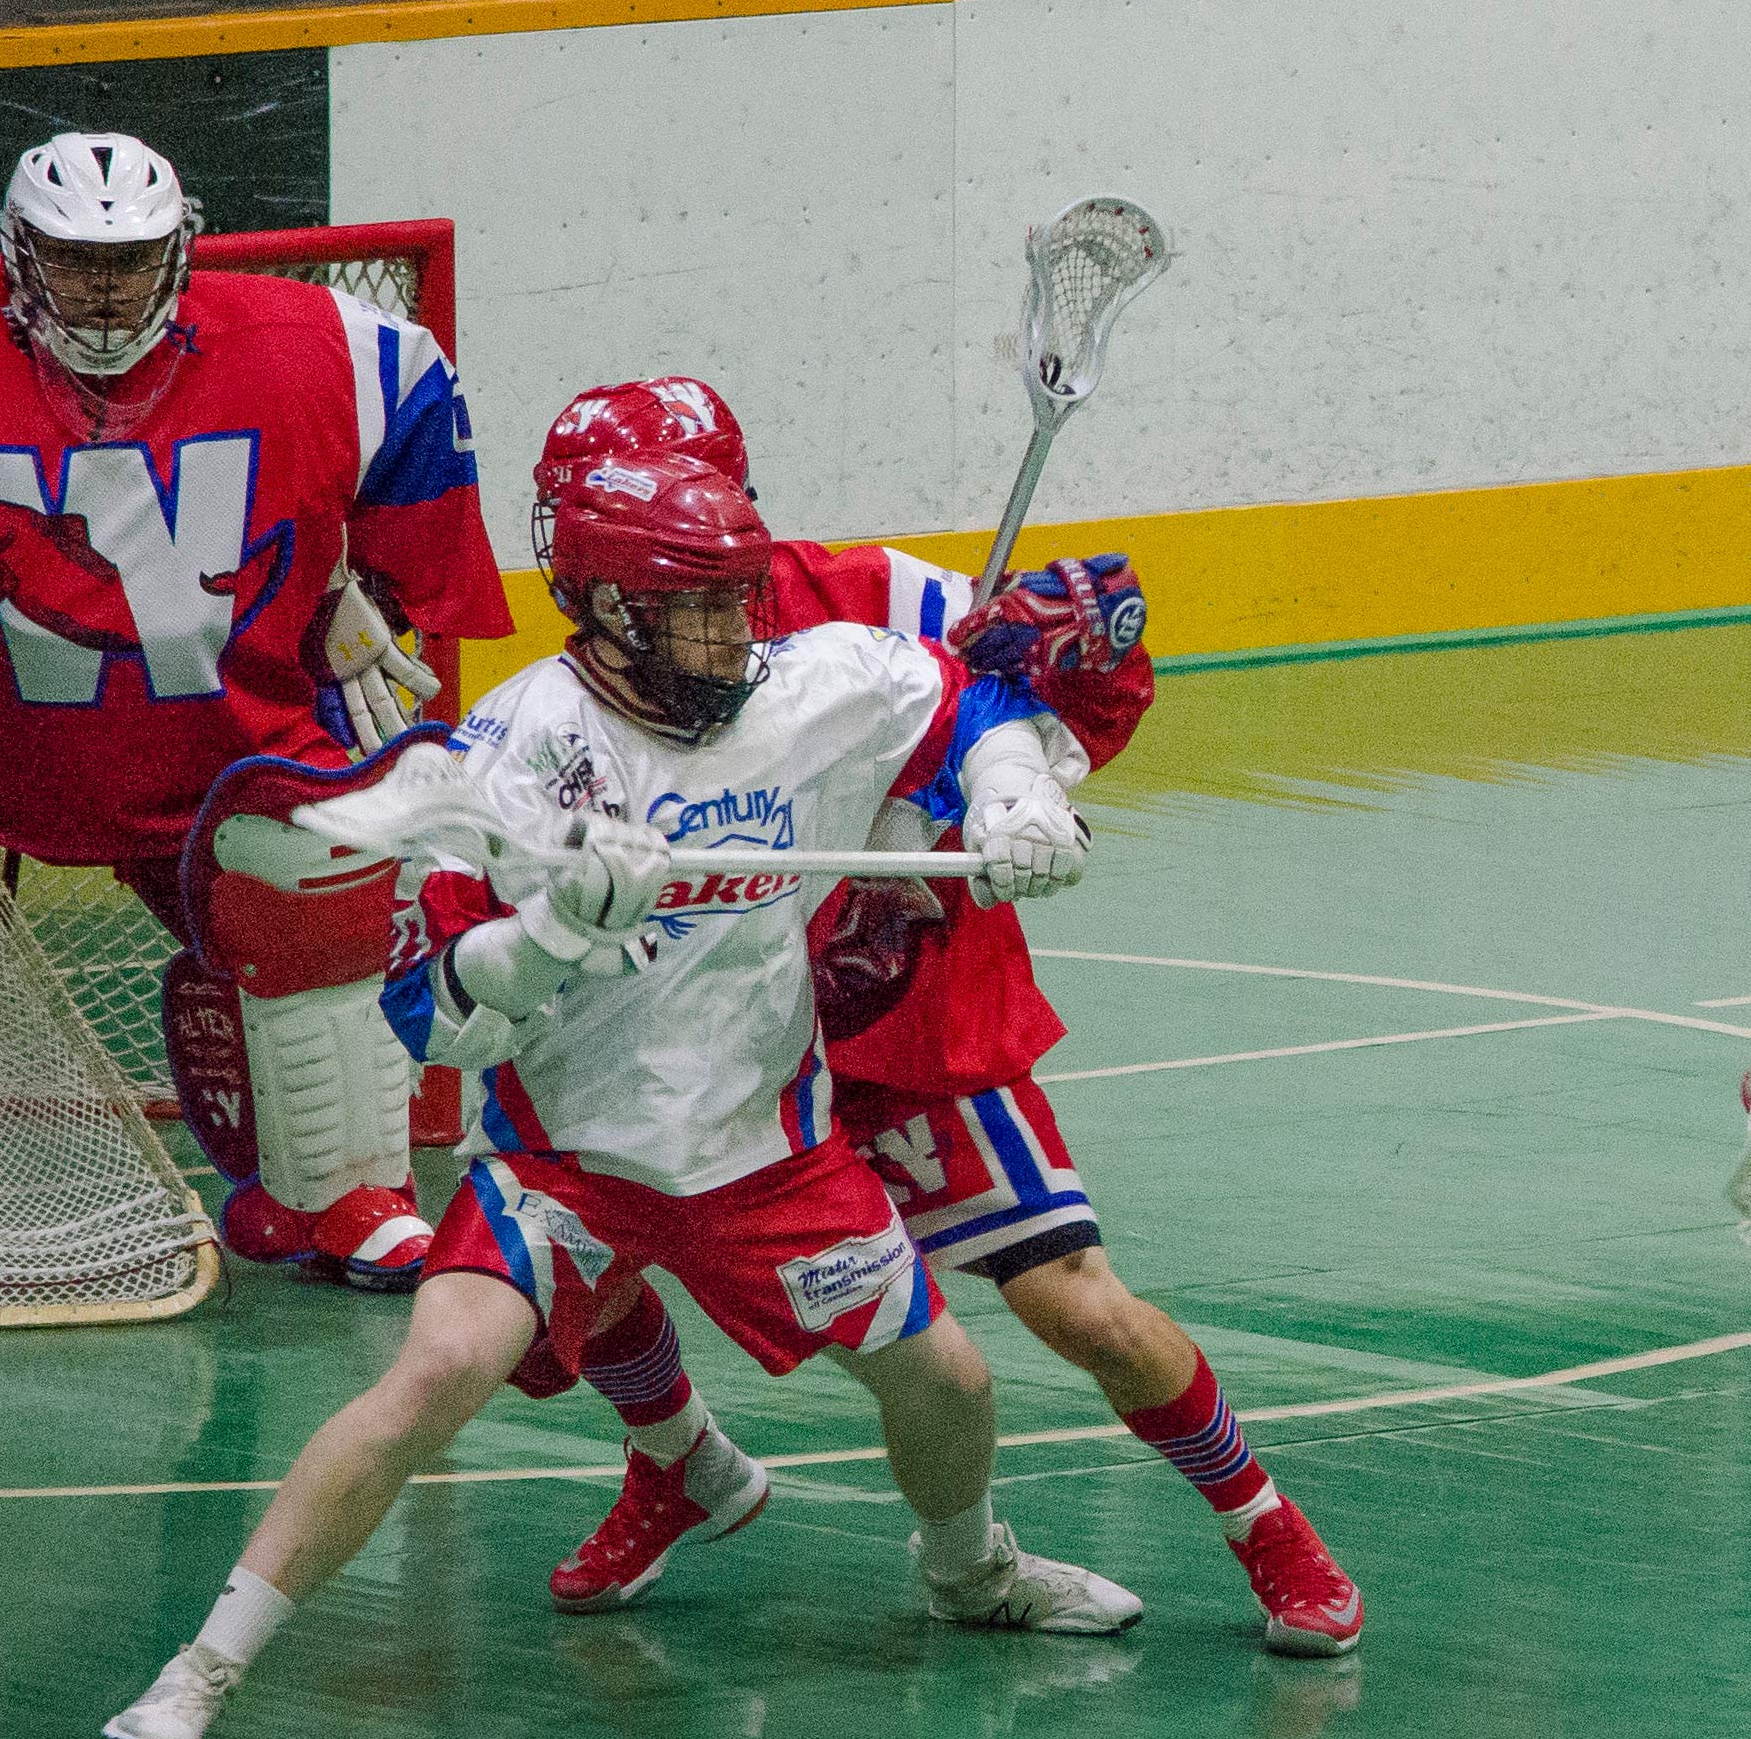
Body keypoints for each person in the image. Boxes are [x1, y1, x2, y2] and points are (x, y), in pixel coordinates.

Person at [100, 449, 1130, 1739]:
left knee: (949, 1381)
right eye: (701, 602)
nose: (739, 625)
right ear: (613, 609)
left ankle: (969, 1571)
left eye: (742, 592)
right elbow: (435, 1017)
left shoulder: (814, 682)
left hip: (771, 1153)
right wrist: (550, 934)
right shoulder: (517, 750)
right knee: (427, 1380)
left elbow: (965, 701)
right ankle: (201, 1673)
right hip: (565, 1167)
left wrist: (1011, 794)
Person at [508, 379, 1361, 1656]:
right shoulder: (572, 681)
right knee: (559, 1278)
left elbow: (1027, 731)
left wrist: (1079, 696)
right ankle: (677, 1457)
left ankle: (1264, 1523)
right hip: (694, 1049)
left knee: (1078, 1305)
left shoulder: (886, 603)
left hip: (891, 1028)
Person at [0, 130, 513, 1288]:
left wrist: (363, 589)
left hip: (220, 749)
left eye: (133, 258)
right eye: (76, 259)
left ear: (180, 250)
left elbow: (416, 419)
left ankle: (343, 1191)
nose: (107, 288)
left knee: (328, 870)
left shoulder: (329, 351)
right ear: (17, 256)